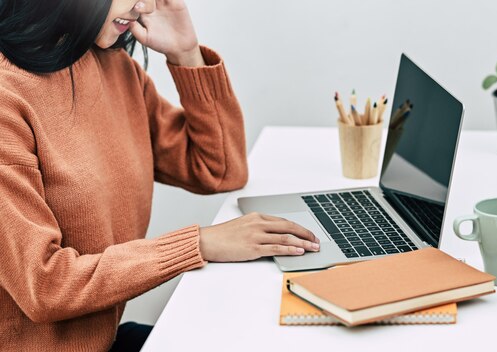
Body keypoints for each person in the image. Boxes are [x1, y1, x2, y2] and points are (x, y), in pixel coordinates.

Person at [0, 0, 320, 351]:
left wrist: (186, 53)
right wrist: (198, 244)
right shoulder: (8, 99)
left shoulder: (112, 67)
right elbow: (46, 286)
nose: (146, 4)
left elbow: (220, 169)